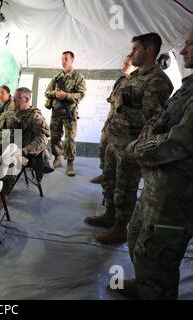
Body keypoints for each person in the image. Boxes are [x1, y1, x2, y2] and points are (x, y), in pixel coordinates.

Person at [113, 27, 193, 300]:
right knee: (137, 239)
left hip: (177, 198)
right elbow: (159, 122)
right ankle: (145, 284)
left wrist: (137, 149)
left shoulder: (160, 81)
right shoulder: (189, 86)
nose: (183, 51)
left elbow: (179, 140)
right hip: (157, 187)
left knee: (158, 258)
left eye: (189, 44)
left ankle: (155, 291)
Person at [85, 33, 174, 244]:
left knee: (125, 188)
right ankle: (110, 215)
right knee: (109, 180)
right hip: (115, 140)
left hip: (131, 145)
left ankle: (120, 227)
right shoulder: (134, 77)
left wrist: (122, 108)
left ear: (150, 49)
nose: (131, 53)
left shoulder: (157, 80)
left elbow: (152, 118)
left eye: (135, 49)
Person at [90, 56, 137, 184]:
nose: (123, 66)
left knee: (119, 155)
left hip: (125, 126)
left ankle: (115, 178)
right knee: (103, 145)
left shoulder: (137, 82)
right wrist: (108, 123)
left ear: (135, 65)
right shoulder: (121, 80)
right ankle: (105, 174)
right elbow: (112, 101)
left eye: (127, 63)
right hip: (111, 120)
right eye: (123, 63)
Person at [45, 51, 87, 177]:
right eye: (62, 59)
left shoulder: (78, 77)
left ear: (72, 60)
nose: (63, 61)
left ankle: (70, 163)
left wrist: (66, 95)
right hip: (56, 112)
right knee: (54, 136)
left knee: (70, 139)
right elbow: (47, 92)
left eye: (66, 59)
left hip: (69, 113)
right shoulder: (57, 77)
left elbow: (81, 94)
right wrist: (54, 94)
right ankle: (57, 158)